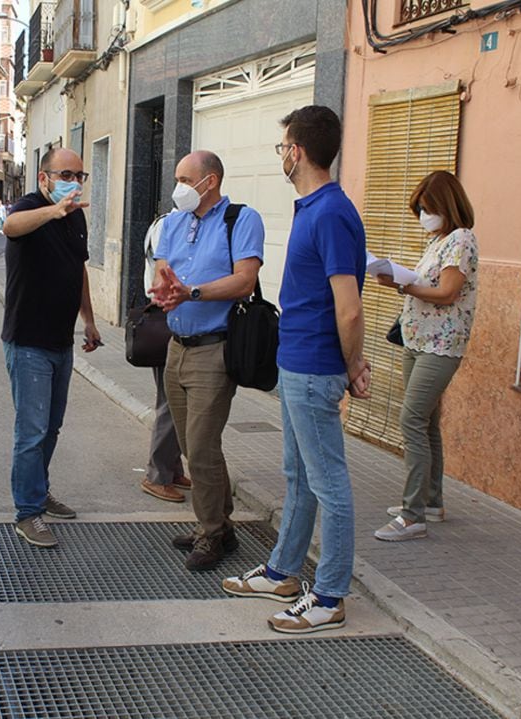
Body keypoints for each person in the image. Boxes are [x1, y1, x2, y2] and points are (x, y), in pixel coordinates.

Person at [221, 106, 370, 634]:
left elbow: (347, 306)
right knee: (299, 475)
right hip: (297, 365)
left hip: (314, 369)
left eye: (283, 145)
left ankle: (329, 596)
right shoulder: (314, 207)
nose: (281, 154)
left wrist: (354, 365)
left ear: (297, 151)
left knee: (329, 484)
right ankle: (284, 571)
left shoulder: (330, 213)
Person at [150, 150, 265, 571]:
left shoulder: (242, 218)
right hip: (175, 345)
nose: (178, 186)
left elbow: (244, 280)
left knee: (200, 447)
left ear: (209, 181)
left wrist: (192, 292)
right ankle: (223, 525)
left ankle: (210, 533)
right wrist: (164, 287)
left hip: (214, 348)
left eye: (184, 178)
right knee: (191, 445)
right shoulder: (174, 222)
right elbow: (164, 265)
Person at [1, 147, 101, 548]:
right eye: (65, 174)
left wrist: (89, 320)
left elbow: (78, 271)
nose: (74, 182)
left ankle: (38, 491)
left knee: (51, 427)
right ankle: (28, 513)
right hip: (28, 341)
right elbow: (11, 226)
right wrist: (52, 211)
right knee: (32, 430)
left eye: (80, 175)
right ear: (44, 179)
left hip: (61, 342)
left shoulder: (76, 217)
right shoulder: (31, 208)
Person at [373, 171, 478, 541]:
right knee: (428, 423)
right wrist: (401, 282)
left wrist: (406, 283)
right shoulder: (438, 241)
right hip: (417, 340)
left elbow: (448, 292)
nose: (422, 215)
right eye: (419, 209)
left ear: (448, 205)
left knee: (412, 420)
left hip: (441, 345)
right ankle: (432, 501)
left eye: (428, 208)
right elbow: (426, 287)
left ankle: (412, 514)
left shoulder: (461, 241)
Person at [138, 211, 191, 503]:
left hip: (170, 316)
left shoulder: (164, 222)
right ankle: (156, 476)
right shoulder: (170, 225)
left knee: (173, 401)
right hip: (167, 318)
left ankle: (172, 468)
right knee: (169, 403)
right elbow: (169, 273)